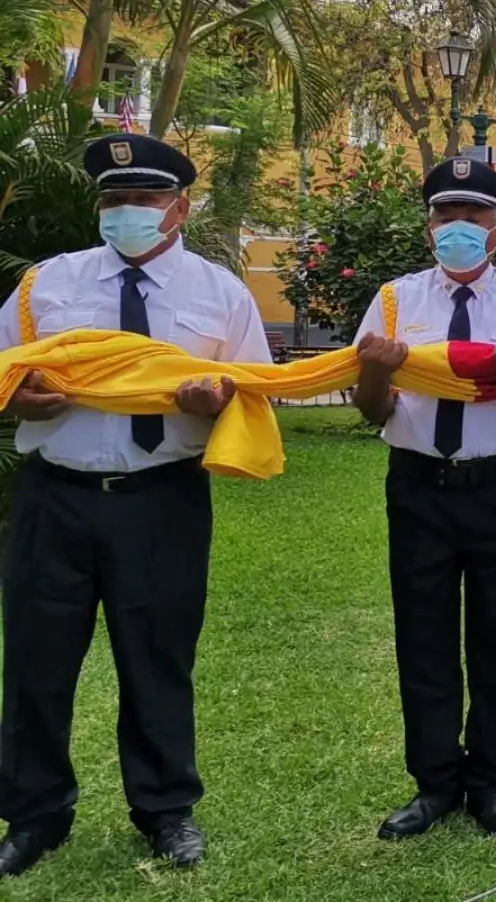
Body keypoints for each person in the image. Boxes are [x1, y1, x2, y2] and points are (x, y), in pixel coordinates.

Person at [0, 134, 270, 877]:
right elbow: (2, 372)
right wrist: (18, 399)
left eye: (144, 198)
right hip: (56, 497)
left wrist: (215, 404)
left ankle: (164, 809)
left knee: (158, 658)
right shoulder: (46, 285)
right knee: (36, 660)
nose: (126, 211)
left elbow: (256, 397)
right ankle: (34, 814)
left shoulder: (220, 294)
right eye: (113, 199)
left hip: (162, 500)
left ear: (179, 207)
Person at [351, 157, 496, 845]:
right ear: (428, 228)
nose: (457, 227)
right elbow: (372, 409)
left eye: (472, 217)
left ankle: (491, 784)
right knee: (424, 636)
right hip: (418, 486)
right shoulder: (395, 302)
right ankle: (435, 783)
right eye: (445, 215)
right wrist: (374, 373)